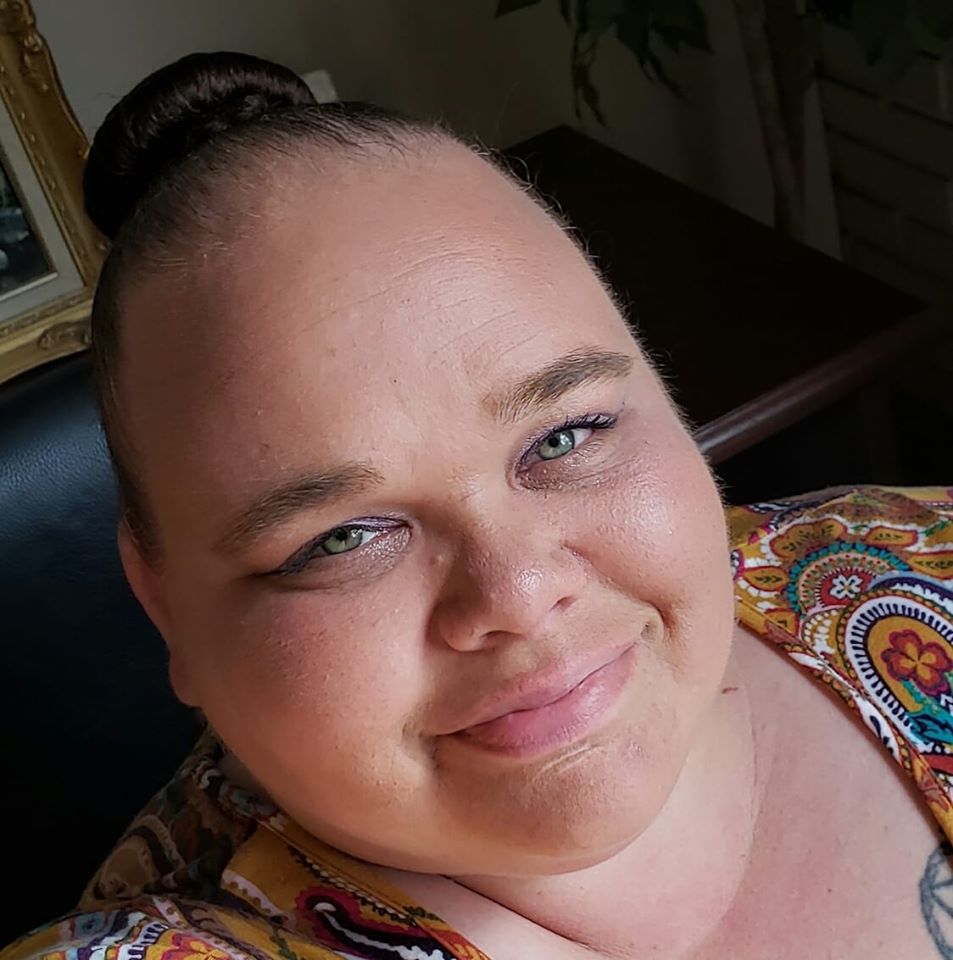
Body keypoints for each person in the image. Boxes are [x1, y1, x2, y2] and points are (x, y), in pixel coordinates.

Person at [3, 50, 953, 960]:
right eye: (342, 537)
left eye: (565, 436)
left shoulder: (914, 564)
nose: (518, 593)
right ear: (162, 599)